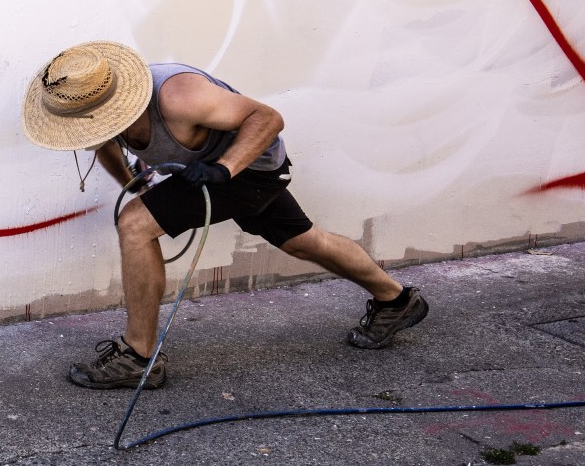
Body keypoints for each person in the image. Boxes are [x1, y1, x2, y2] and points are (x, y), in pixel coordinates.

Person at [22, 41, 428, 390]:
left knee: (135, 224)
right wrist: (136, 184)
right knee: (303, 241)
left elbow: (266, 118)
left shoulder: (179, 95)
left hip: (249, 169)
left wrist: (224, 169)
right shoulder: (93, 109)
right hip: (224, 172)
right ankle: (396, 300)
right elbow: (104, 143)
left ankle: (138, 356)